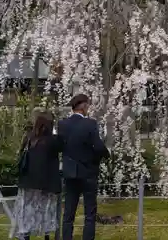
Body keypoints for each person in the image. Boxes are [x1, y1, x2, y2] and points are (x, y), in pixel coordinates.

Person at [58, 94, 110, 240]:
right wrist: (101, 157)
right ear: (84, 106)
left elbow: (60, 146)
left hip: (70, 172)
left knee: (68, 212)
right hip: (88, 172)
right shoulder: (90, 124)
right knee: (89, 213)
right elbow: (99, 147)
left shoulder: (62, 124)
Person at [11, 113, 61, 240]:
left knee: (27, 210)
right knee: (46, 210)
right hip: (46, 183)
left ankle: (25, 235)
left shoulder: (29, 138)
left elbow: (21, 154)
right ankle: (46, 236)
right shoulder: (52, 141)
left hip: (28, 181)